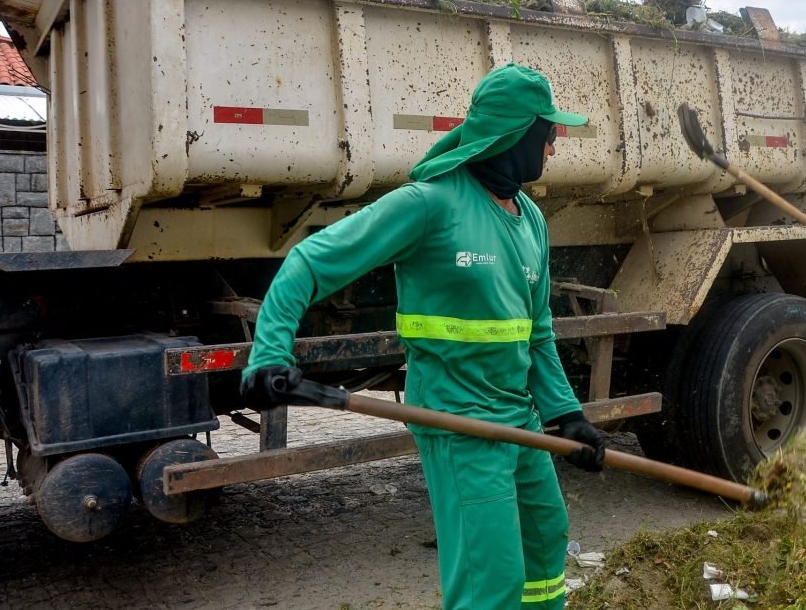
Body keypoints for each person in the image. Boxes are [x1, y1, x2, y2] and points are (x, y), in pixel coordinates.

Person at [239, 62, 606, 609]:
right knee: (492, 579)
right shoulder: (428, 203)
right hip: (458, 422)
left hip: (520, 418)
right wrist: (269, 354)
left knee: (545, 547)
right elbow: (308, 263)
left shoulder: (531, 218)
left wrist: (567, 413)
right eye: (547, 131)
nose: (555, 143)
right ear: (512, 135)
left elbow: (538, 333)